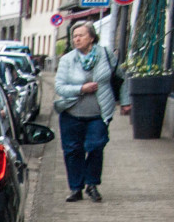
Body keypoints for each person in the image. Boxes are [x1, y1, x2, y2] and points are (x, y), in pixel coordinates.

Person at [53, 21, 131, 203]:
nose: (77, 39)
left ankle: (92, 184)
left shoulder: (106, 55)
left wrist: (126, 102)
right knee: (73, 151)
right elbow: (59, 87)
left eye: (81, 35)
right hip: (71, 114)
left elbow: (120, 78)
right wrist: (81, 89)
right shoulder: (67, 60)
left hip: (99, 113)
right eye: (74, 36)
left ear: (92, 38)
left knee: (96, 146)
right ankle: (75, 188)